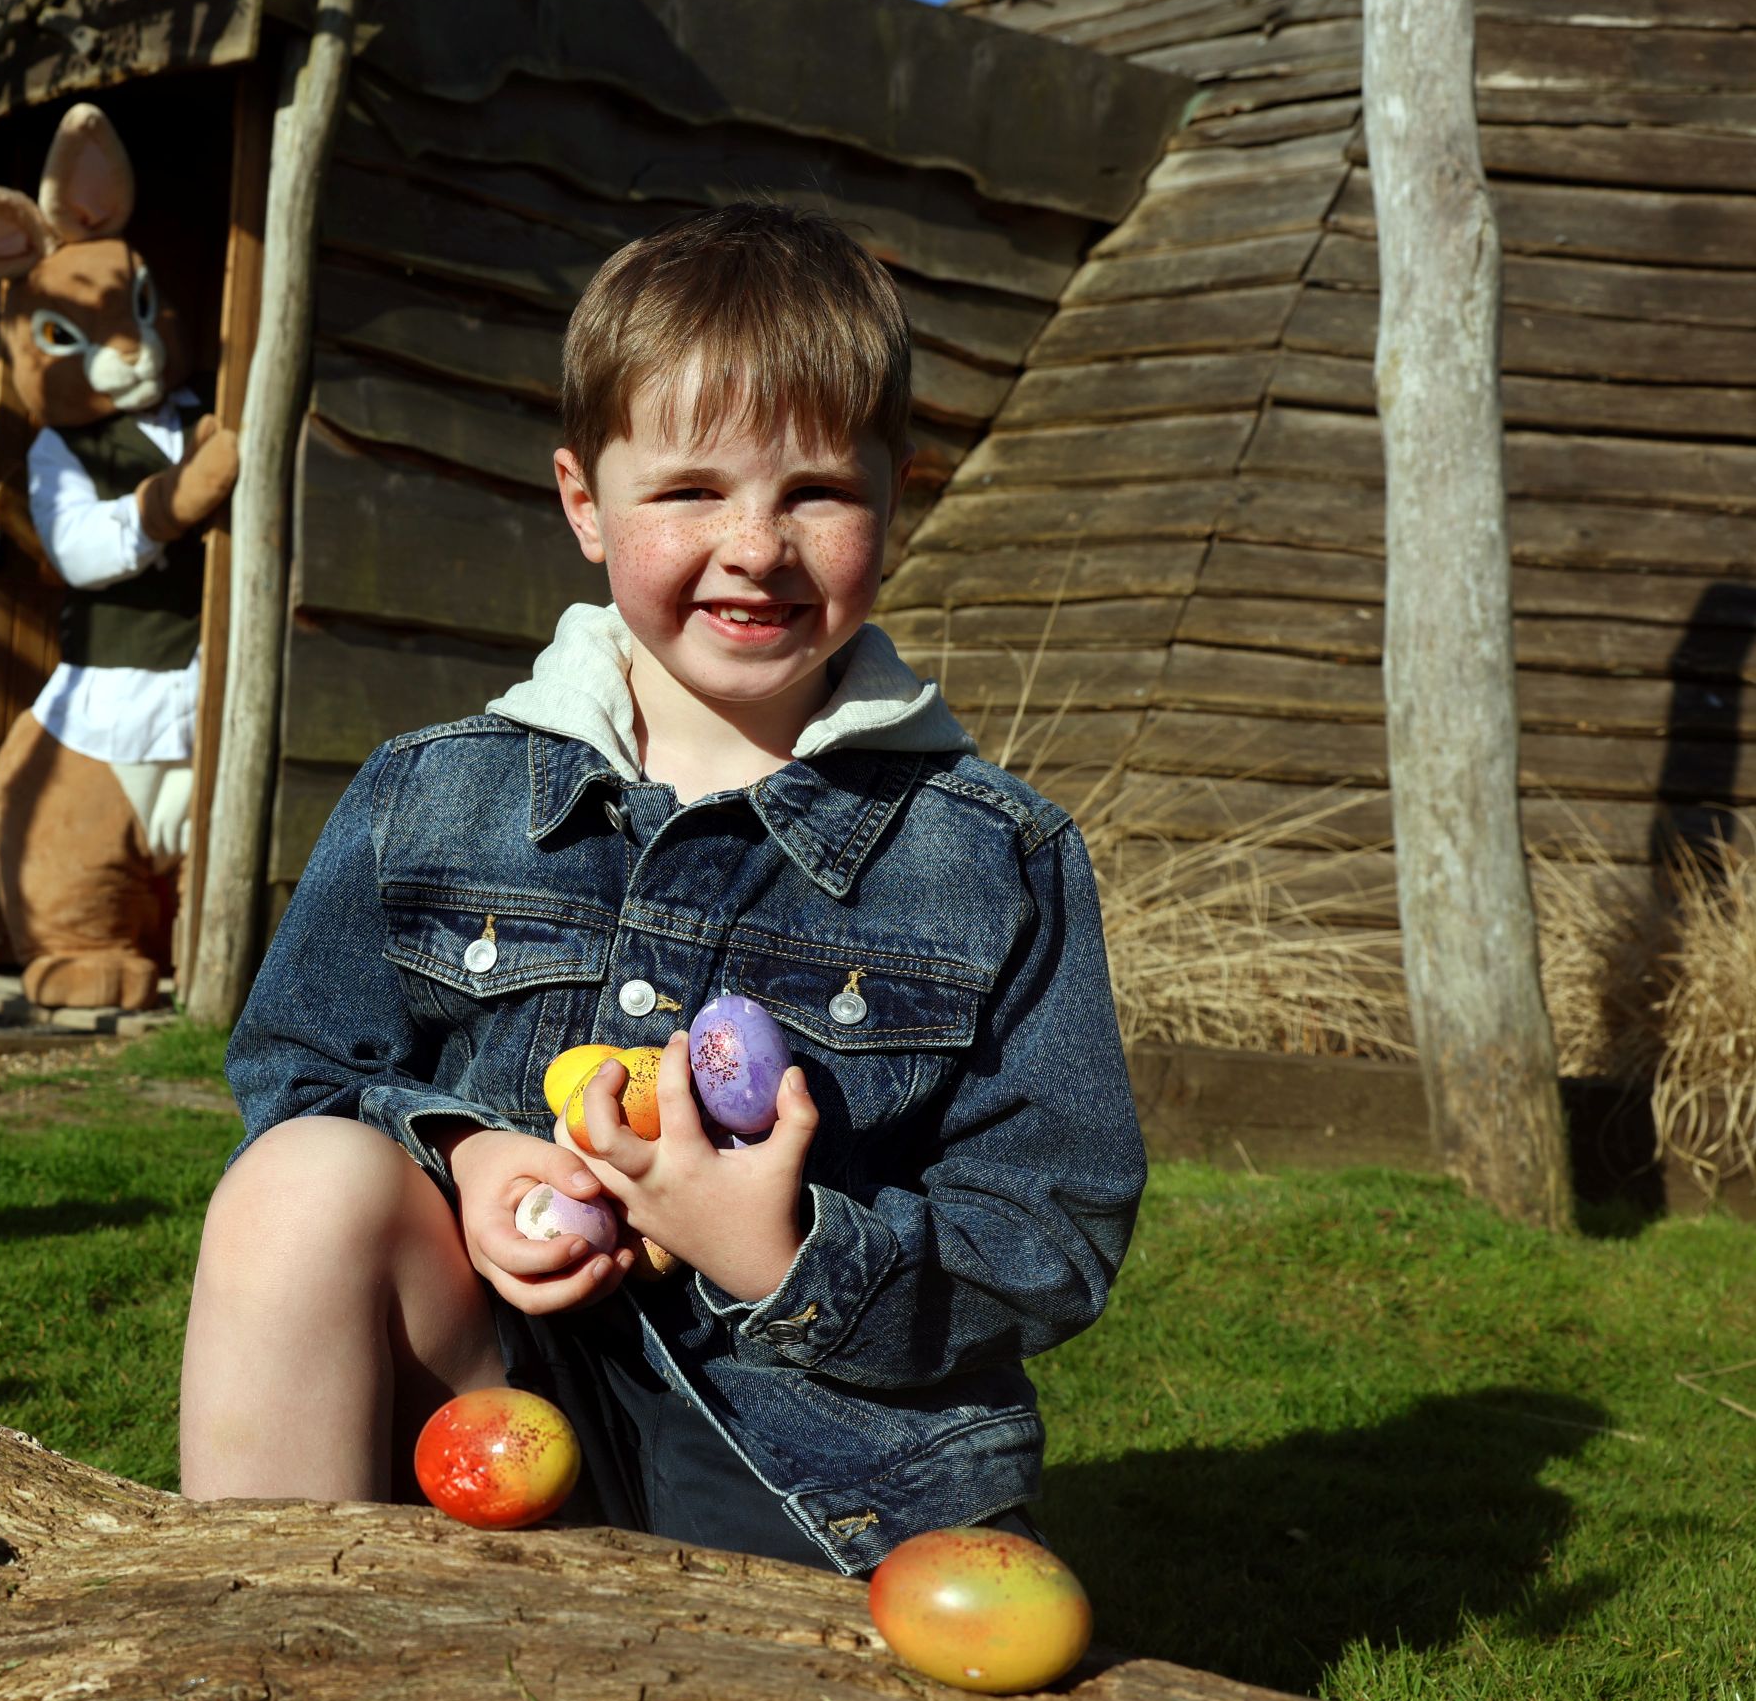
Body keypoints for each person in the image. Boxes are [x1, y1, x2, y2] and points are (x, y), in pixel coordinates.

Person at [179, 203, 1146, 1572]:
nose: (756, 544)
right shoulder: (431, 795)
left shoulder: (994, 859)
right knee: (297, 1186)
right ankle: (269, 1639)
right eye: (691, 491)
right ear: (585, 502)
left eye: (816, 491)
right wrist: (460, 1155)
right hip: (492, 1391)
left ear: (896, 499)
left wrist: (786, 1250)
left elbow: (1052, 1223)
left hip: (817, 1470)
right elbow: (299, 1068)